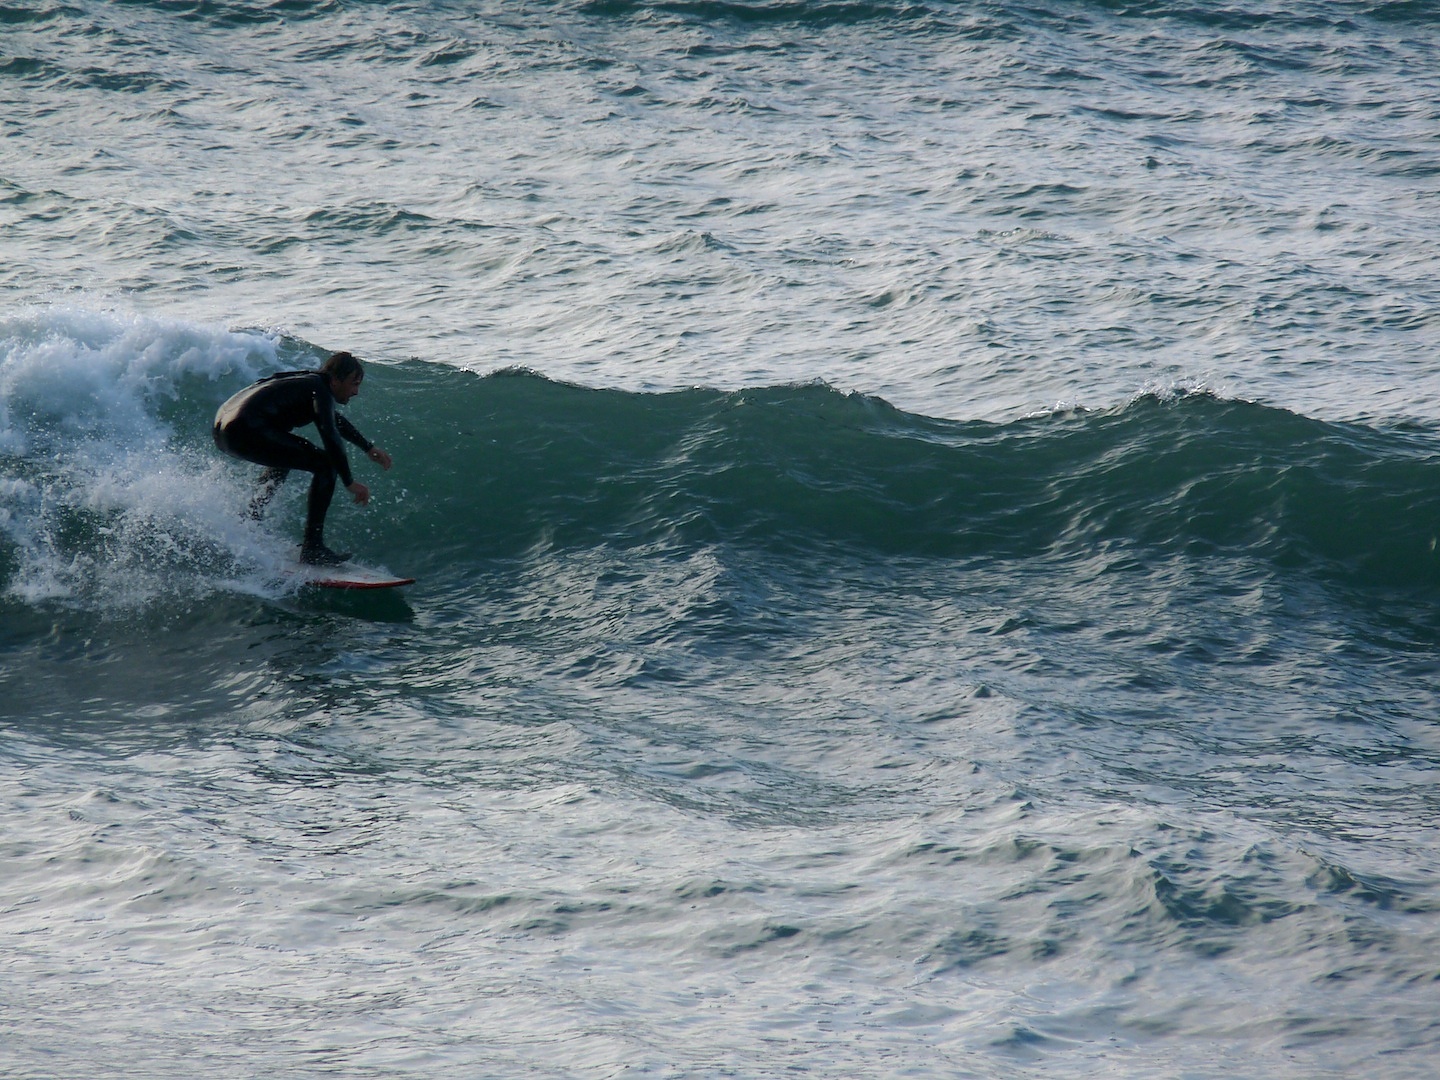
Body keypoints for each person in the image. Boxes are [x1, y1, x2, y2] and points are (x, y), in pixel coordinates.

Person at [213, 351, 392, 565]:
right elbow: (330, 435)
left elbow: (333, 420)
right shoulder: (320, 390)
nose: (356, 392)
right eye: (354, 384)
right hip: (245, 429)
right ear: (336, 380)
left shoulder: (309, 383)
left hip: (224, 430)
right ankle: (313, 548)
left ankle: (250, 519)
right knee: (326, 464)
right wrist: (349, 482)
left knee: (284, 458)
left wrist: (367, 447)